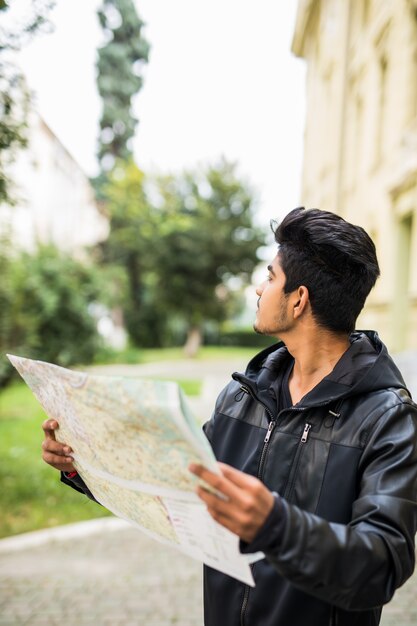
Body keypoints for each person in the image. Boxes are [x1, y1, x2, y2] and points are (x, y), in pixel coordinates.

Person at [42, 207, 417, 626]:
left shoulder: (387, 418)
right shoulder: (241, 397)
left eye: (271, 277)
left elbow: (383, 562)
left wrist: (278, 527)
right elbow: (173, 483)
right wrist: (83, 459)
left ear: (299, 300)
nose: (260, 288)